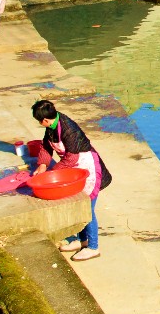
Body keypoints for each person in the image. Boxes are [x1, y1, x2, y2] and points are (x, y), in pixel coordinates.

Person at [33, 99, 111, 261]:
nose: (40, 124)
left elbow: (71, 158)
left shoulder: (68, 129)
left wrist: (52, 173)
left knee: (87, 209)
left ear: (45, 120)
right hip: (74, 169)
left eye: (39, 121)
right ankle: (82, 240)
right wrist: (42, 165)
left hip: (87, 167)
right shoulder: (52, 127)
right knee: (78, 205)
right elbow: (46, 146)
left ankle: (93, 247)